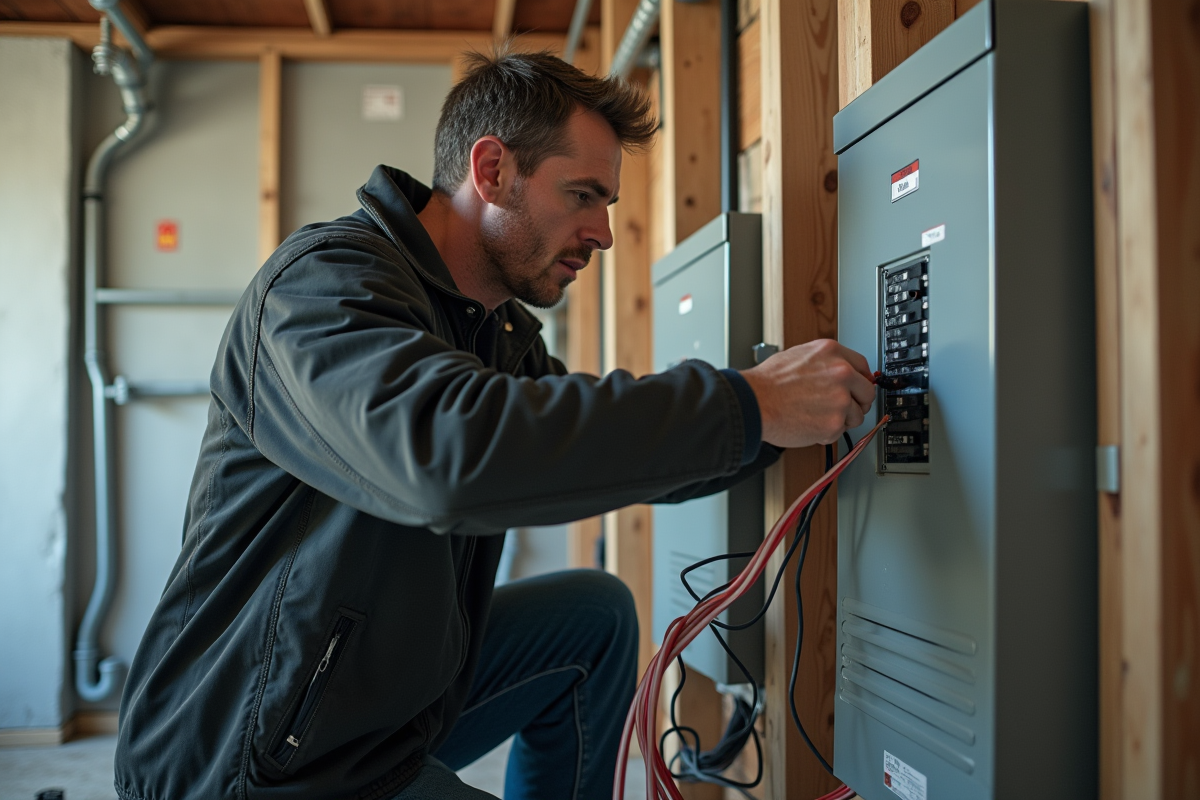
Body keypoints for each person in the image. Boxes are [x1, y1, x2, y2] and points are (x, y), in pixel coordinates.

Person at [113, 48, 876, 800]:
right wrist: (748, 402)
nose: (604, 232)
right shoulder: (320, 288)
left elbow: (586, 443)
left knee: (594, 616)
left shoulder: (490, 329)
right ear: (491, 171)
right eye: (582, 195)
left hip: (362, 703)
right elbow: (449, 456)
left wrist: (778, 425)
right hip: (251, 755)